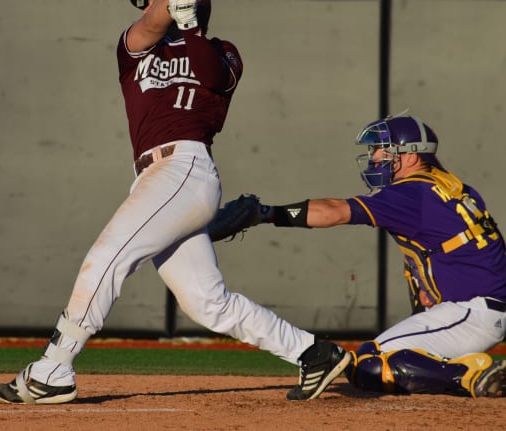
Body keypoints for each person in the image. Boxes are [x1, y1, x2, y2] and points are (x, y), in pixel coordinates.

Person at [0, 0, 350, 404]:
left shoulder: (223, 53)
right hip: (154, 176)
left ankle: (55, 365)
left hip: (185, 168)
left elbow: (212, 76)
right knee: (207, 303)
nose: (146, 5)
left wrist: (191, 22)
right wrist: (174, 4)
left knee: (108, 255)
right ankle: (314, 353)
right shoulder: (138, 48)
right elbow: (150, 22)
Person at [217, 114, 506, 397]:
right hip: (481, 310)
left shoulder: (412, 193)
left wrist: (268, 214)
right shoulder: (450, 188)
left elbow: (333, 211)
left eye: (384, 149)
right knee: (377, 362)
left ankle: (471, 375)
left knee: (367, 365)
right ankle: (463, 374)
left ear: (411, 156)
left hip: (473, 312)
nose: (376, 156)